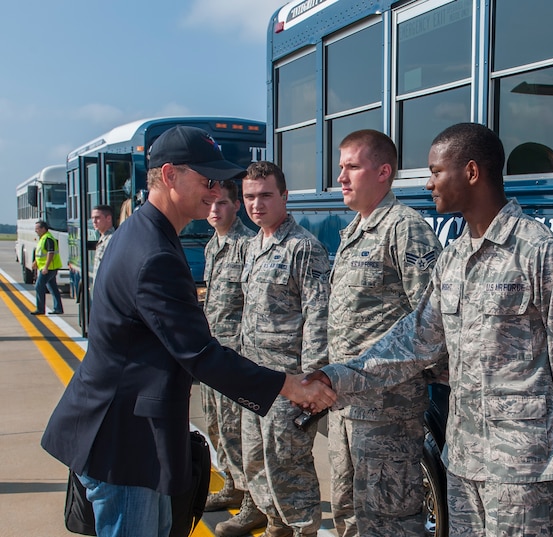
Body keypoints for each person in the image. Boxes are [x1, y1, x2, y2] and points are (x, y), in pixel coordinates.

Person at [308, 123, 553, 536]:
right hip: (464, 463)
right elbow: (414, 341)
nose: (428, 183)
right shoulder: (452, 261)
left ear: (470, 172)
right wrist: (335, 376)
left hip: (523, 470)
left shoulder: (538, 252)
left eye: (435, 172)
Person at [40, 126, 336, 537]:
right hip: (126, 446)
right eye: (206, 180)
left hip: (132, 438)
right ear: (169, 175)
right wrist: (288, 386)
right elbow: (199, 354)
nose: (216, 192)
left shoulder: (149, 234)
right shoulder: (154, 252)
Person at [327, 130, 443, 536]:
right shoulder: (355, 231)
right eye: (341, 167)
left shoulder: (404, 229)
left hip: (387, 413)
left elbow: (433, 319)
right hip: (345, 407)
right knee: (349, 512)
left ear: (382, 172)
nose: (341, 176)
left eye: (352, 167)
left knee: (391, 521)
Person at [238, 161, 331, 537]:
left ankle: (302, 528)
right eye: (249, 197)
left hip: (287, 384)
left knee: (288, 465)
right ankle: (275, 523)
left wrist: (309, 383)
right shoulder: (251, 245)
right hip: (252, 379)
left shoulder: (304, 248)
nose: (256, 204)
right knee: (256, 462)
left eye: (265, 195)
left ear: (285, 196)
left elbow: (318, 316)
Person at [198, 181, 268, 537]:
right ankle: (232, 484)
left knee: (238, 433)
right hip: (212, 355)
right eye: (209, 204)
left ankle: (253, 505)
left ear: (236, 206)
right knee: (216, 427)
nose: (214, 210)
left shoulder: (246, 245)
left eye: (221, 204)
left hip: (234, 357)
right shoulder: (213, 246)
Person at [31, 220, 64, 315]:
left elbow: (51, 253)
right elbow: (41, 253)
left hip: (49, 268)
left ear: (43, 229)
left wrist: (45, 267)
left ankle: (40, 309)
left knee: (39, 286)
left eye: (37, 228)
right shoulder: (43, 238)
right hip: (47, 267)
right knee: (53, 288)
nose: (36, 231)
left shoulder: (48, 238)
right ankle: (58, 308)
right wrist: (36, 262)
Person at [91, 204, 115, 278]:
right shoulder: (102, 239)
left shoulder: (111, 240)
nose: (94, 221)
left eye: (97, 218)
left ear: (108, 218)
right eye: (92, 218)